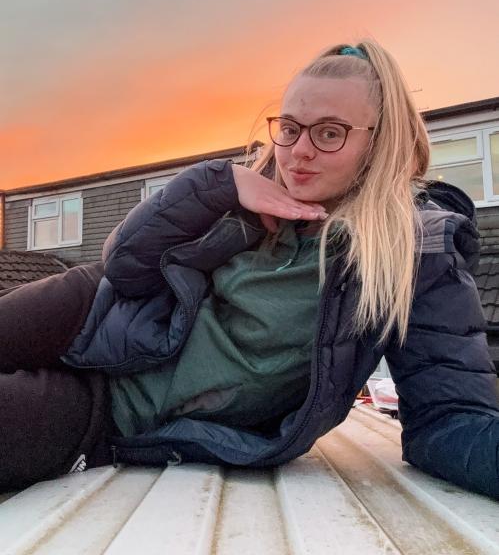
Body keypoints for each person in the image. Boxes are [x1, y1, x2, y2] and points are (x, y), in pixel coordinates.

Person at [1, 40, 499, 500]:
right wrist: (215, 183)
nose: (299, 151)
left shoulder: (412, 253)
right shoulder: (247, 198)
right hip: (86, 309)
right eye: (289, 128)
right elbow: (125, 269)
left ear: (379, 142)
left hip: (111, 408)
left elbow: (450, 416)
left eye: (330, 133)